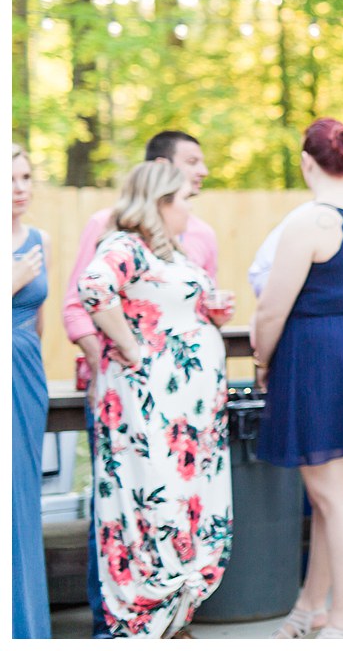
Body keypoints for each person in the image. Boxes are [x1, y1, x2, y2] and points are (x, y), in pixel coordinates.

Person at [61, 130, 219, 638]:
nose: (189, 210)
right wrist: (128, 347)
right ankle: (128, 622)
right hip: (142, 405)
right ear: (160, 199)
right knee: (143, 505)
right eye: (183, 199)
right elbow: (89, 291)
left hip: (182, 411)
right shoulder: (121, 241)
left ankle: (169, 618)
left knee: (174, 507)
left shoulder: (174, 247)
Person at [252, 118, 343, 640]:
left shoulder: (313, 220)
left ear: (308, 162)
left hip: (319, 358)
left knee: (336, 499)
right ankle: (311, 606)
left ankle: (342, 620)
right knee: (333, 496)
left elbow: (270, 312)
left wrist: (264, 361)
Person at [12, 144, 52, 638]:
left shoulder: (38, 238)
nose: (20, 188)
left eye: (25, 177)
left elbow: (40, 322)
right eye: (11, 179)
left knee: (25, 501)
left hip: (26, 374)